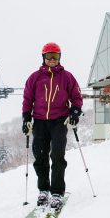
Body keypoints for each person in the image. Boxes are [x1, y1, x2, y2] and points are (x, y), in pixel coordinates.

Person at [22, 42, 83, 209]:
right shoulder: (34, 77)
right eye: (48, 56)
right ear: (43, 57)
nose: (52, 59)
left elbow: (76, 97)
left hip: (59, 121)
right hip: (40, 122)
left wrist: (75, 112)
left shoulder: (67, 77)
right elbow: (27, 99)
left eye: (55, 56)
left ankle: (57, 192)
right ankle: (43, 190)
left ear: (60, 58)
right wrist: (26, 117)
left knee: (57, 155)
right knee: (40, 157)